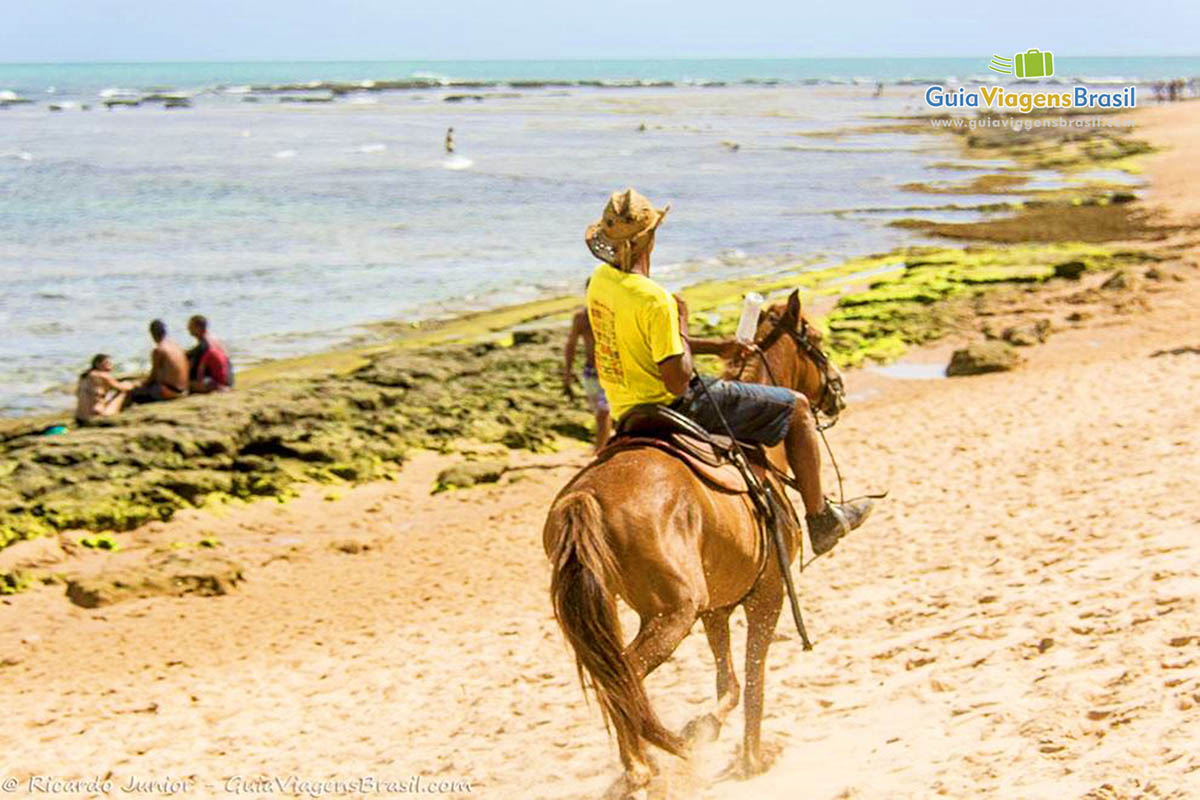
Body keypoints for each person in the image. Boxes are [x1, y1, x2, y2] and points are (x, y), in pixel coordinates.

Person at [583, 188, 873, 555]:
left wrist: (716, 347)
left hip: (626, 407)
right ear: (650, 239)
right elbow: (677, 380)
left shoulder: (600, 282)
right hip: (672, 402)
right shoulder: (655, 299)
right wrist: (682, 325)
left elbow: (639, 342)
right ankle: (821, 519)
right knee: (797, 407)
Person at [563, 283, 611, 450]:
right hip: (591, 371)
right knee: (599, 413)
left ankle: (599, 452)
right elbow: (571, 346)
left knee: (604, 412)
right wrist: (567, 373)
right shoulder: (581, 318)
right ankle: (606, 444)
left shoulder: (613, 315)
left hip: (611, 371)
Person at [129, 319, 188, 404]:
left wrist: (139, 384)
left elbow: (153, 376)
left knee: (132, 393)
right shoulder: (176, 345)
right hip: (184, 390)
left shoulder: (159, 350)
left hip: (170, 391)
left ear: (152, 334)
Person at [75, 354, 133, 424]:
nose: (110, 366)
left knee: (105, 395)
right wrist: (129, 384)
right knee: (123, 393)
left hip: (79, 418)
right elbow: (122, 388)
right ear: (97, 364)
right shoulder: (103, 375)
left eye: (110, 363)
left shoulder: (84, 376)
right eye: (107, 363)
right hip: (96, 416)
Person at [186, 314, 233, 393]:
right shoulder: (213, 338)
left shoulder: (204, 345)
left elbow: (194, 366)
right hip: (230, 378)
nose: (188, 328)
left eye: (190, 326)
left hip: (218, 382)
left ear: (198, 328)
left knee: (186, 384)